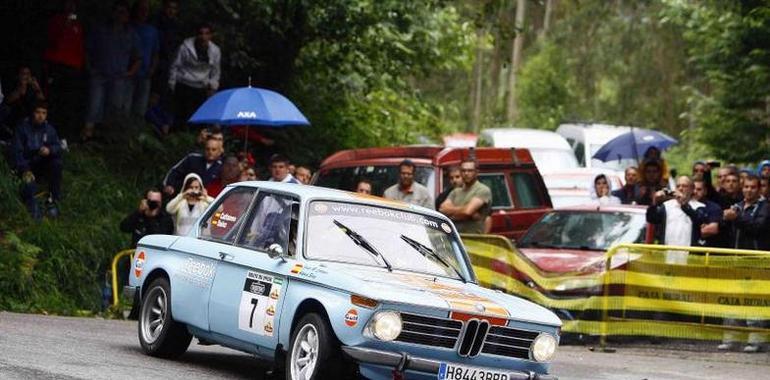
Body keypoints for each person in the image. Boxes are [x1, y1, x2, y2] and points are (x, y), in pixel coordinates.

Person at [83, 1, 142, 140]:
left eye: (124, 12)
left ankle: (108, 139)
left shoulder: (131, 34)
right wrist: (90, 68)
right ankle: (87, 136)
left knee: (114, 108)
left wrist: (129, 73)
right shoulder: (100, 30)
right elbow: (88, 50)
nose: (121, 15)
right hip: (99, 75)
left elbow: (138, 57)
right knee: (94, 105)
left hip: (119, 77)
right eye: (118, 11)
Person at [12, 101, 63, 219]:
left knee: (57, 163)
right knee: (29, 185)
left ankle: (55, 198)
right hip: (26, 165)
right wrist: (24, 169)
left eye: (44, 113)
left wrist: (49, 150)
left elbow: (58, 146)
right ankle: (34, 211)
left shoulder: (49, 129)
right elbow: (16, 152)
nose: (41, 116)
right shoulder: (22, 128)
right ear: (32, 113)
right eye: (38, 112)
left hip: (41, 163)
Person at [43, 0, 85, 138]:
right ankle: (48, 133)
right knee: (54, 100)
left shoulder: (79, 24)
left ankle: (65, 136)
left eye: (73, 3)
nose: (71, 6)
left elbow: (80, 48)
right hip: (57, 66)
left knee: (69, 102)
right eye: (68, 2)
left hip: (73, 69)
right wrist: (64, 26)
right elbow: (52, 41)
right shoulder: (56, 20)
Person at [168, 22, 221, 130]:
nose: (203, 37)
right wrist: (172, 84)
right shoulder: (185, 47)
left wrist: (213, 86)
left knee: (198, 119)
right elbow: (175, 65)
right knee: (180, 117)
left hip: (201, 87)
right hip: (184, 84)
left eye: (206, 34)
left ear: (211, 36)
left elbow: (215, 71)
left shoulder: (215, 51)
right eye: (201, 33)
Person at [646, 176, 707, 263]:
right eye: (678, 186)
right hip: (667, 254)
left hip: (689, 256)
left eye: (684, 186)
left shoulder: (699, 207)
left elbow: (699, 219)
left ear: (692, 189)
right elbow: (651, 219)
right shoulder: (666, 206)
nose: (681, 189)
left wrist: (684, 204)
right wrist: (654, 202)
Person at [439, 159, 492, 234]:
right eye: (463, 171)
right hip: (456, 236)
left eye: (470, 171)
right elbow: (442, 209)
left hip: (474, 237)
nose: (466, 173)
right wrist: (467, 212)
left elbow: (467, 211)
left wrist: (453, 211)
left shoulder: (482, 190)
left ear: (476, 172)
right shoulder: (456, 191)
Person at [723, 175, 770, 251]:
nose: (749, 190)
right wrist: (724, 218)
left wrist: (736, 217)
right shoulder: (736, 206)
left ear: (759, 189)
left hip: (757, 256)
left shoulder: (765, 207)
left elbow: (757, 228)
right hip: (735, 255)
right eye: (746, 187)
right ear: (742, 188)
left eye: (753, 187)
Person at [129, 0, 159, 117]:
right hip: (127, 74)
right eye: (141, 9)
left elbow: (155, 53)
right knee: (123, 105)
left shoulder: (152, 31)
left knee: (140, 107)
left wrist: (152, 69)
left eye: (146, 10)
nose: (144, 12)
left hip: (145, 74)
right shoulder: (128, 27)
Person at [692, 178, 723, 247]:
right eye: (693, 188)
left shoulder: (714, 208)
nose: (695, 192)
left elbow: (712, 229)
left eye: (699, 189)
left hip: (706, 249)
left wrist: (691, 228)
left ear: (705, 191)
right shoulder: (685, 205)